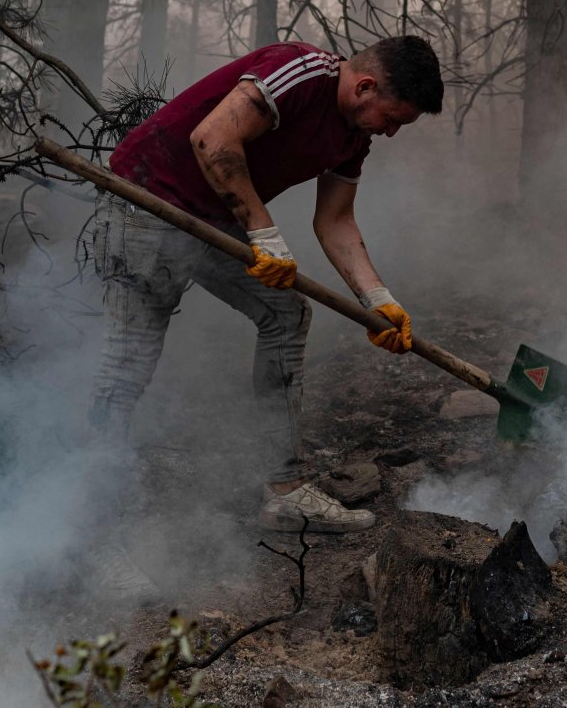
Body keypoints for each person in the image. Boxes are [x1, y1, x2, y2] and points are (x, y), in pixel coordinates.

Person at [88, 35, 444, 533]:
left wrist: (378, 300)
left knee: (286, 313)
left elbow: (336, 220)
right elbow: (211, 138)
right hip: (145, 203)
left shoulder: (352, 135)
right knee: (128, 364)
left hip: (210, 219)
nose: (389, 134)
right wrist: (263, 233)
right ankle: (90, 523)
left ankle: (285, 491)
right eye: (393, 119)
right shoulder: (299, 71)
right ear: (365, 86)